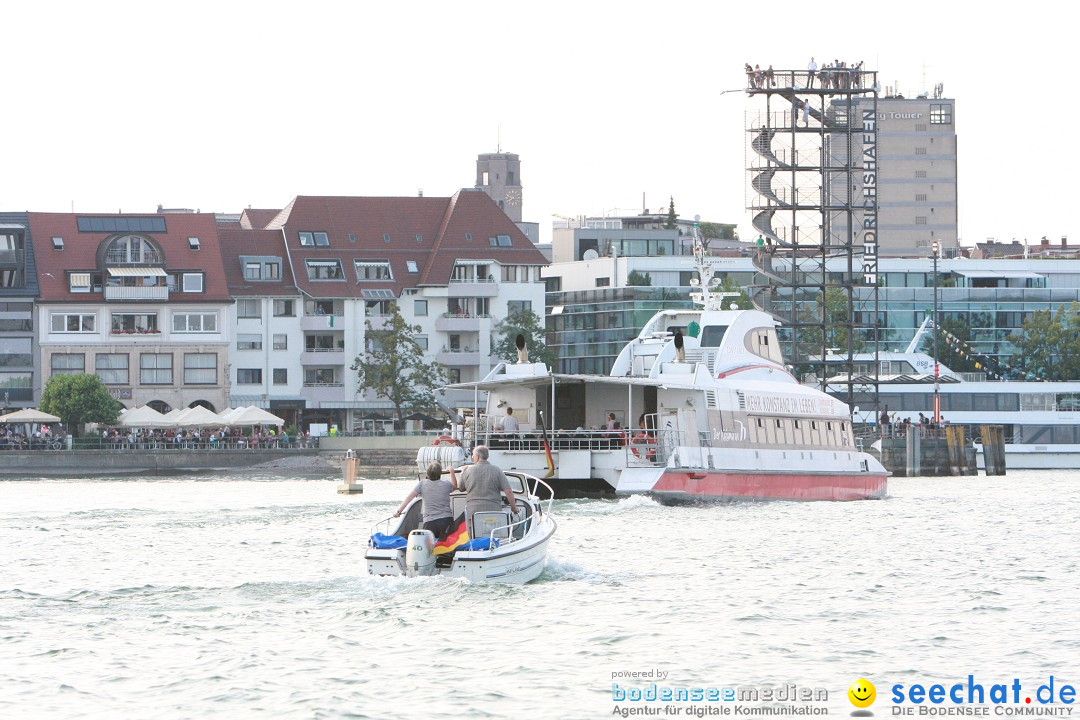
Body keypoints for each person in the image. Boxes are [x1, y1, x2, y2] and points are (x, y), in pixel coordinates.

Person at [458, 445, 517, 536]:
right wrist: (513, 507)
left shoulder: (468, 471)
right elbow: (508, 491)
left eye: (473, 455)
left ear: (477, 456)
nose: (473, 457)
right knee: (495, 536)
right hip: (494, 511)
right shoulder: (497, 470)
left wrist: (462, 474)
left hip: (473, 512)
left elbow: (461, 488)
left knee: (474, 536)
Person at [394, 461, 458, 538]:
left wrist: (398, 512)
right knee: (447, 545)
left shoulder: (422, 484)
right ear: (440, 474)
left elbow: (409, 498)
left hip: (429, 522)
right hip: (446, 520)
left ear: (427, 474)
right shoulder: (446, 484)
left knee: (429, 546)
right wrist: (451, 471)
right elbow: (454, 486)